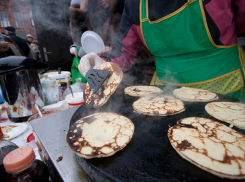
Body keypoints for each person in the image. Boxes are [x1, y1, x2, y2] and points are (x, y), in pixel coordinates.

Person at [78, 0, 245, 101]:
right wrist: (101, 65)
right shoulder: (134, 4)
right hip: (167, 97)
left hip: (226, 90)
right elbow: (123, 53)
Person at [69, 0, 125, 83]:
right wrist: (82, 9)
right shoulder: (96, 15)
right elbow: (79, 40)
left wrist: (115, 51)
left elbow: (137, 49)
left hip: (125, 76)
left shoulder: (125, 12)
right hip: (101, 75)